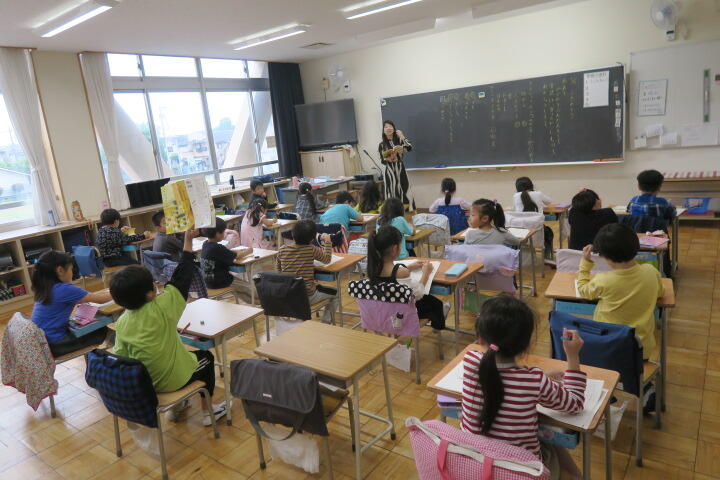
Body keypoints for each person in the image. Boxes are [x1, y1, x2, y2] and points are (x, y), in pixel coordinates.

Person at [461, 295, 585, 477]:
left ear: (480, 339)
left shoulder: (470, 361)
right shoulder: (534, 380)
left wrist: (540, 378)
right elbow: (575, 403)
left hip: (474, 465)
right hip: (521, 472)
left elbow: (503, 377)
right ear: (525, 346)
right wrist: (572, 355)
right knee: (552, 442)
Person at [112, 229, 226, 426]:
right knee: (206, 358)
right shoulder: (161, 307)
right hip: (172, 380)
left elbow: (121, 356)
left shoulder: (122, 321)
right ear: (149, 294)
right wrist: (188, 240)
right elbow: (183, 274)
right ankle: (208, 412)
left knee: (180, 357)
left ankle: (176, 407)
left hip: (146, 384)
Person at [577, 223, 664, 358]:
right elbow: (660, 293)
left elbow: (583, 290)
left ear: (606, 257)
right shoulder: (651, 272)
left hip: (609, 347)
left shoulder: (604, 280)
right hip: (641, 349)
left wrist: (585, 263)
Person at [30, 251, 113, 357]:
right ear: (60, 270)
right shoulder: (64, 289)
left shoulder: (44, 288)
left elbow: (92, 297)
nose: (72, 273)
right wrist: (120, 289)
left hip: (45, 343)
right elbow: (100, 299)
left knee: (92, 327)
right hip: (57, 344)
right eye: (71, 269)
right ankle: (118, 357)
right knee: (101, 330)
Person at [367, 225, 448, 330]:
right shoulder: (402, 272)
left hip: (383, 312)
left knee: (432, 302)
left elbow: (393, 275)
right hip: (403, 314)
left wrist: (408, 268)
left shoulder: (372, 269)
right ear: (395, 249)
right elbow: (417, 294)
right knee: (435, 303)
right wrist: (426, 273)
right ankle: (439, 324)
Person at [276, 220, 338, 324]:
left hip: (288, 296)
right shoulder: (311, 249)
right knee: (336, 293)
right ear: (312, 238)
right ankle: (325, 322)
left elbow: (279, 270)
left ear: (292, 234)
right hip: (307, 296)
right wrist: (328, 241)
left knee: (317, 286)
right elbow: (327, 259)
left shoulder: (282, 249)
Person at [200, 217, 253, 291]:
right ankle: (252, 297)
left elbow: (227, 252)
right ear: (217, 234)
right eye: (223, 232)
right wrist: (249, 250)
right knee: (247, 287)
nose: (224, 234)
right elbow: (237, 256)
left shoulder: (205, 244)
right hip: (220, 282)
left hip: (208, 282)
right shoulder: (217, 247)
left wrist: (239, 251)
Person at [513, 177, 554, 260]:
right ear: (531, 185)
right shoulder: (538, 194)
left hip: (521, 233)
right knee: (549, 233)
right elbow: (549, 201)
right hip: (538, 232)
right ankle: (546, 258)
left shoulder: (515, 196)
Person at [379, 120, 414, 210]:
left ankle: (407, 210)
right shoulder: (382, 145)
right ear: (383, 130)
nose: (388, 128)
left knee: (404, 188)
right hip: (389, 171)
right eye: (386, 127)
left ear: (394, 129)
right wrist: (388, 159)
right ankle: (392, 211)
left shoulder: (399, 140)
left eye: (390, 126)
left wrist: (402, 136)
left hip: (400, 169)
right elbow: (382, 160)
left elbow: (409, 148)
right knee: (391, 190)